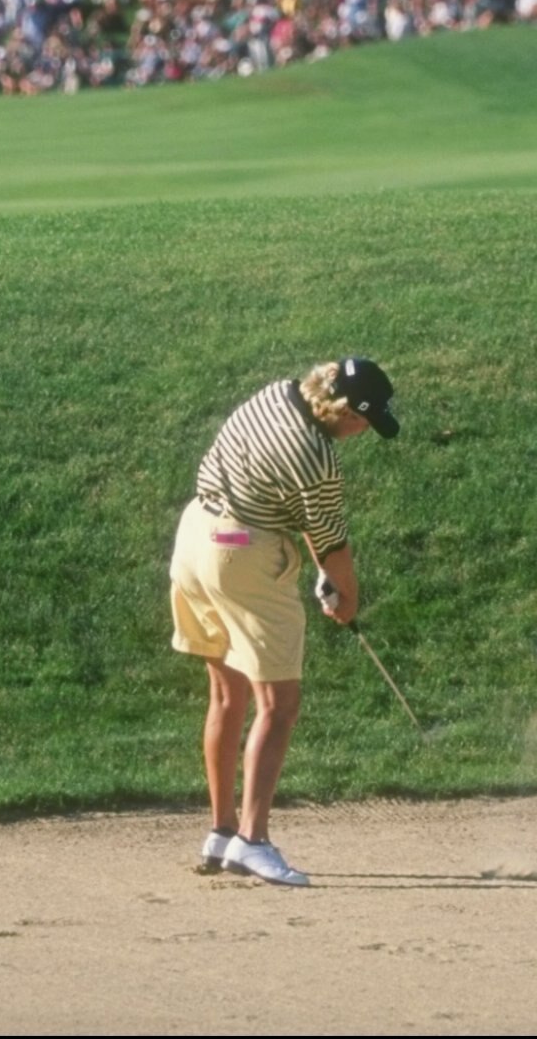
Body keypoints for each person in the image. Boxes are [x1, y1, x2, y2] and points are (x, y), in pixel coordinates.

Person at [169, 357, 400, 887]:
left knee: (227, 694)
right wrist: (346, 598)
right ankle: (253, 841)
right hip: (242, 557)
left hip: (195, 539)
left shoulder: (273, 394)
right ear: (342, 411)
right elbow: (333, 542)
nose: (363, 431)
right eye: (363, 421)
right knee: (279, 703)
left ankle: (221, 833)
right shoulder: (318, 457)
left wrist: (321, 568)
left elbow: (300, 516)